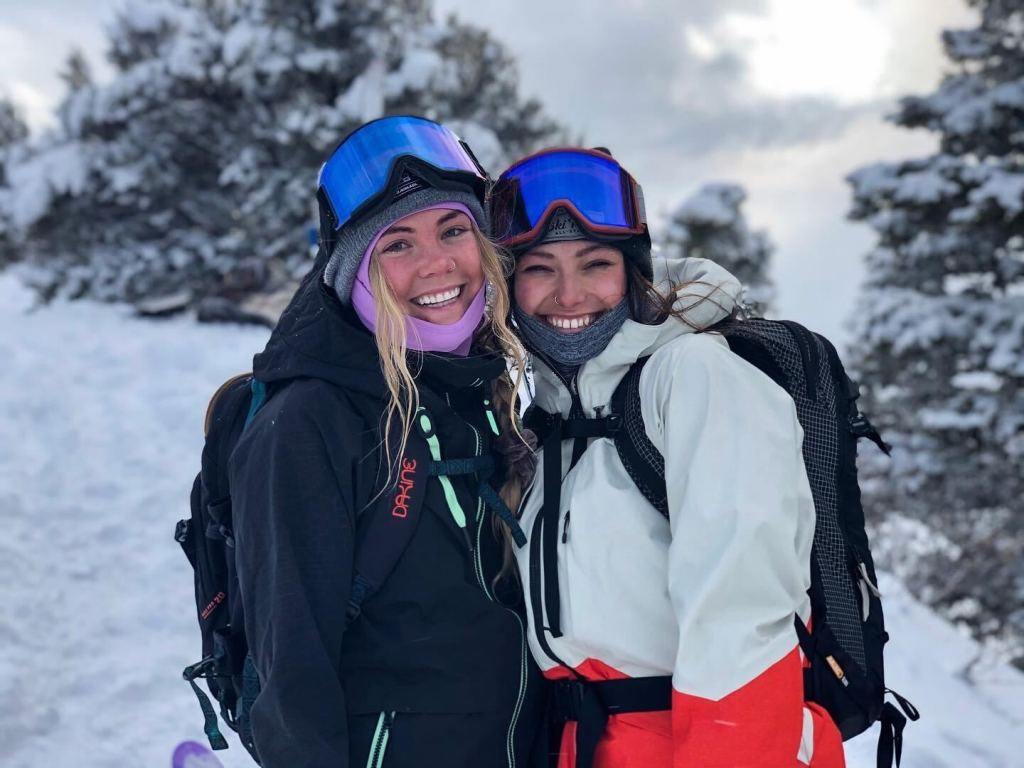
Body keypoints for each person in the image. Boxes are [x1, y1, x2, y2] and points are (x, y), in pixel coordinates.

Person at [489, 147, 846, 767]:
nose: (569, 295)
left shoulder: (695, 375)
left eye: (595, 264)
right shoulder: (548, 423)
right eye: (540, 268)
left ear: (633, 273)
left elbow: (744, 617)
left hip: (720, 741)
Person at [229, 116, 544, 768]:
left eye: (454, 230)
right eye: (396, 245)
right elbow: (291, 685)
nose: (436, 263)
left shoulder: (481, 394)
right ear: (354, 275)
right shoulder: (309, 423)